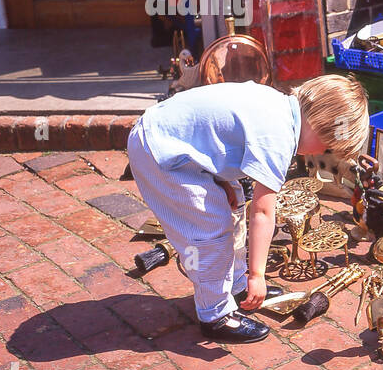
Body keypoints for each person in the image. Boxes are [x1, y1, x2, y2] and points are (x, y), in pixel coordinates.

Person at [126, 77, 369, 343]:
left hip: (173, 142)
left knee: (235, 202)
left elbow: (215, 136)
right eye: (326, 148)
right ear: (320, 126)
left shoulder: (276, 105)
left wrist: (218, 178)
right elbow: (264, 213)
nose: (320, 154)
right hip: (160, 152)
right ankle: (214, 314)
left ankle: (236, 286)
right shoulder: (279, 137)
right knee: (210, 231)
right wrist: (259, 275)